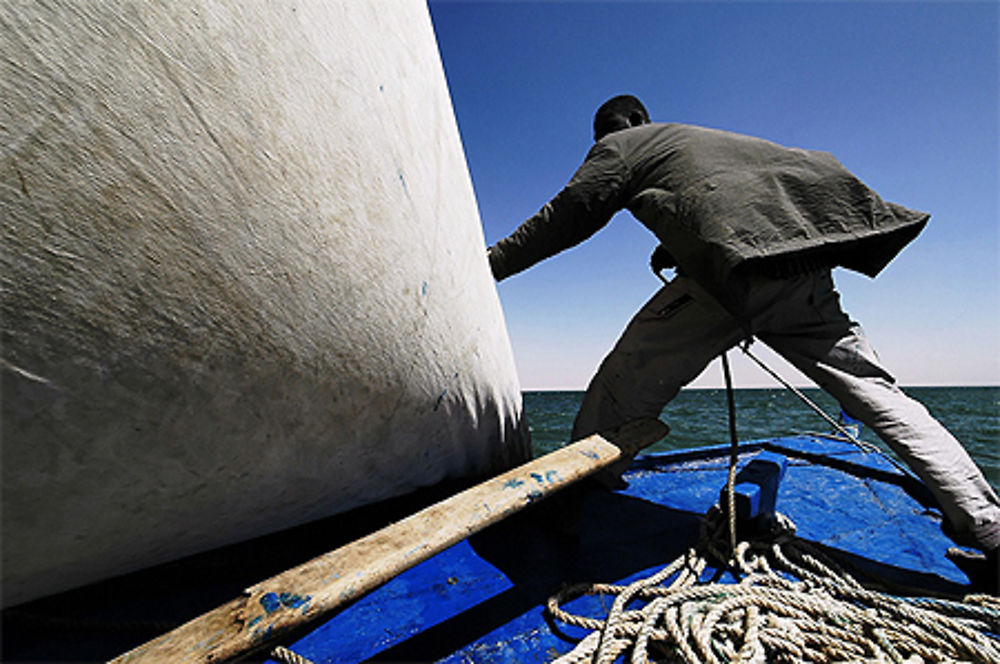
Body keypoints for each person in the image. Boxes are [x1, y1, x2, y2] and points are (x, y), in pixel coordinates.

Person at [487, 94, 999, 586]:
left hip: (728, 277)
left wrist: (487, 267)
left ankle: (576, 495)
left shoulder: (622, 143)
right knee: (879, 395)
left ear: (615, 127)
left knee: (622, 382)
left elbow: (570, 213)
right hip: (802, 266)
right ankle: (989, 527)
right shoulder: (700, 139)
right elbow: (728, 198)